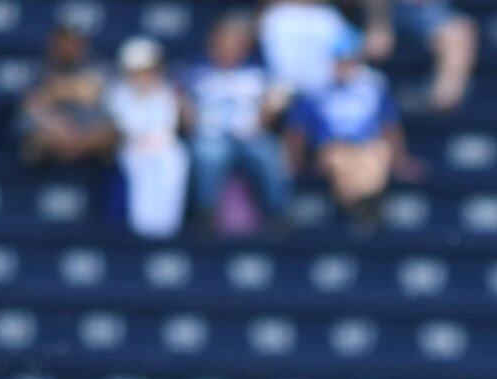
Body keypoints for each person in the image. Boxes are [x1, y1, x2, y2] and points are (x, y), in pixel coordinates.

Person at [283, 31, 420, 228]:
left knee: (378, 154)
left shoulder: (373, 87)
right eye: (339, 61)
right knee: (340, 159)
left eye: (348, 61)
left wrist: (401, 159)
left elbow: (389, 125)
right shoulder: (315, 89)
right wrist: (294, 163)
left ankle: (361, 207)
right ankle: (365, 209)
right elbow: (297, 130)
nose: (343, 66)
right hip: (331, 146)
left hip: (367, 145)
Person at [183, 14, 293, 229]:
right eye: (225, 41)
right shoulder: (196, 70)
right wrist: (189, 116)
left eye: (236, 43)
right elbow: (181, 102)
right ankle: (205, 215)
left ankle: (278, 216)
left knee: (269, 154)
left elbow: (277, 100)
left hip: (250, 134)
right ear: (214, 42)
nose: (230, 47)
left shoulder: (258, 72)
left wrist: (269, 111)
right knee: (210, 156)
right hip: (210, 134)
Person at [105, 38, 189, 239]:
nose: (145, 76)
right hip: (133, 149)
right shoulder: (118, 93)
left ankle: (168, 229)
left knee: (174, 163)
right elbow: (126, 126)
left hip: (165, 148)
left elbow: (171, 123)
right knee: (143, 185)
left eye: (149, 70)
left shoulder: (166, 91)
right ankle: (142, 231)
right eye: (139, 71)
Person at [17, 23, 115, 165]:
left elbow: (101, 99)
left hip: (89, 134)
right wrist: (58, 129)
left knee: (110, 133)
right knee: (32, 140)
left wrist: (56, 91)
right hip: (53, 135)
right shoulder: (38, 71)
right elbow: (31, 107)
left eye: (74, 43)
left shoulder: (100, 68)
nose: (68, 48)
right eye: (63, 43)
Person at [361, 1, 479, 111]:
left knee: (459, 32)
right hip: (376, 12)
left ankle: (437, 105)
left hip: (427, 12)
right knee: (376, 44)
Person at [259, 0, 356, 99]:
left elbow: (344, 53)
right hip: (281, 89)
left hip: (322, 91)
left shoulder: (329, 17)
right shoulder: (275, 15)